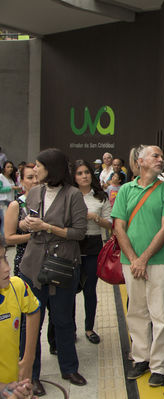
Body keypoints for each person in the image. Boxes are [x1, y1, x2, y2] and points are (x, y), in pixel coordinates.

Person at [18, 148, 88, 396]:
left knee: (63, 321)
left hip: (61, 266)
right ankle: (32, 375)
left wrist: (47, 226)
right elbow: (24, 220)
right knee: (31, 324)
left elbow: (79, 233)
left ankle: (69, 368)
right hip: (34, 265)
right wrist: (25, 223)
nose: (34, 169)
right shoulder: (34, 192)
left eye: (39, 165)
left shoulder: (72, 196)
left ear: (52, 168)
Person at [111, 145, 164, 387]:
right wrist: (134, 259)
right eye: (156, 156)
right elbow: (118, 226)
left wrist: (144, 258)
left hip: (157, 262)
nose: (161, 160)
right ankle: (140, 358)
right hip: (131, 262)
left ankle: (159, 365)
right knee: (136, 312)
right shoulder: (126, 190)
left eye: (161, 156)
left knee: (159, 313)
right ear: (141, 161)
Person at [72, 160, 113, 344]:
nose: (84, 176)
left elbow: (110, 223)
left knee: (90, 290)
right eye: (79, 173)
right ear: (74, 176)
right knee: (70, 290)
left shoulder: (100, 196)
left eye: (86, 172)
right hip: (72, 245)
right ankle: (69, 329)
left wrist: (95, 217)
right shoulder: (69, 195)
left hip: (93, 244)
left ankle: (89, 328)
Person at [0, 236, 41, 391]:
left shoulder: (17, 287)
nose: (6, 268)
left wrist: (28, 359)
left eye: (4, 258)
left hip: (13, 385)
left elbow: (34, 310)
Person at [3, 164, 38, 276]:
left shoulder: (49, 203)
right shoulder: (16, 205)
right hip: (25, 261)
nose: (35, 181)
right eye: (30, 177)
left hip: (48, 263)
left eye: (37, 177)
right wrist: (34, 236)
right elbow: (8, 238)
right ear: (22, 181)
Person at [0, 161, 20, 236]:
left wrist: (16, 190)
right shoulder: (1, 177)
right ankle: (5, 240)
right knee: (4, 220)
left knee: (9, 221)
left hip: (10, 201)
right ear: (4, 168)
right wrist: (11, 188)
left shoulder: (11, 179)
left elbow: (13, 191)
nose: (10, 169)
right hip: (3, 201)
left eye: (11, 167)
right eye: (8, 167)